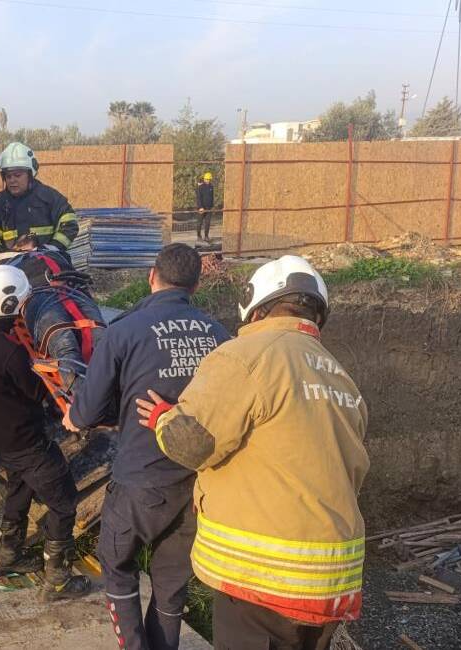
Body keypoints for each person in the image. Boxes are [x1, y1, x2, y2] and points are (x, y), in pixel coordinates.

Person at [137, 255, 369, 650]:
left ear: (256, 307)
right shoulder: (340, 377)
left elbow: (191, 442)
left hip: (265, 579)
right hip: (333, 581)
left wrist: (163, 417)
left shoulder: (244, 355)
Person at [63, 243, 229, 650]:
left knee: (116, 563)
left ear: (151, 275)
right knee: (171, 581)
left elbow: (86, 412)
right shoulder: (220, 335)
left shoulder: (123, 331)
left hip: (142, 478)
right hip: (199, 484)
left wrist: (74, 416)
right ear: (196, 282)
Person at [0, 265, 91, 602]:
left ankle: (7, 554)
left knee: (19, 488)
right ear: (8, 306)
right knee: (64, 503)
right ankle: (59, 580)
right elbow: (40, 394)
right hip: (27, 441)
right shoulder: (10, 353)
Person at [0, 237, 105, 394]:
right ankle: (86, 403)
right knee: (65, 346)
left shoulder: (55, 252)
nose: (27, 236)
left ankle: (109, 398)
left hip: (73, 289)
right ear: (16, 247)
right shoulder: (7, 262)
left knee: (102, 341)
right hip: (38, 296)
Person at [0, 142, 78, 253]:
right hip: (11, 265)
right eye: (8, 176)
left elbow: (69, 222)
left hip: (46, 262)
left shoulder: (48, 197)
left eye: (17, 175)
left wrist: (53, 248)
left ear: (30, 175)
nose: (12, 180)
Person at [195, 172, 214, 243]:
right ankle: (199, 236)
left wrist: (212, 206)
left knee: (207, 223)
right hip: (201, 208)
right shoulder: (200, 187)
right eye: (207, 179)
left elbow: (212, 197)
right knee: (199, 222)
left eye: (209, 179)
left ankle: (206, 236)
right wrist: (200, 207)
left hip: (209, 208)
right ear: (204, 179)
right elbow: (198, 198)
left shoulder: (211, 187)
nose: (208, 181)